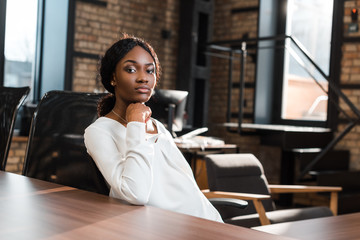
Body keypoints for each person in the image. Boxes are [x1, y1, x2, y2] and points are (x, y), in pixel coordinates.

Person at [84, 34, 223, 223]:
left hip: (205, 221)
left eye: (150, 71)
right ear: (113, 78)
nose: (143, 78)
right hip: (163, 227)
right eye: (131, 69)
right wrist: (136, 125)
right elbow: (135, 194)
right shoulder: (99, 132)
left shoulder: (159, 126)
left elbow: (188, 187)